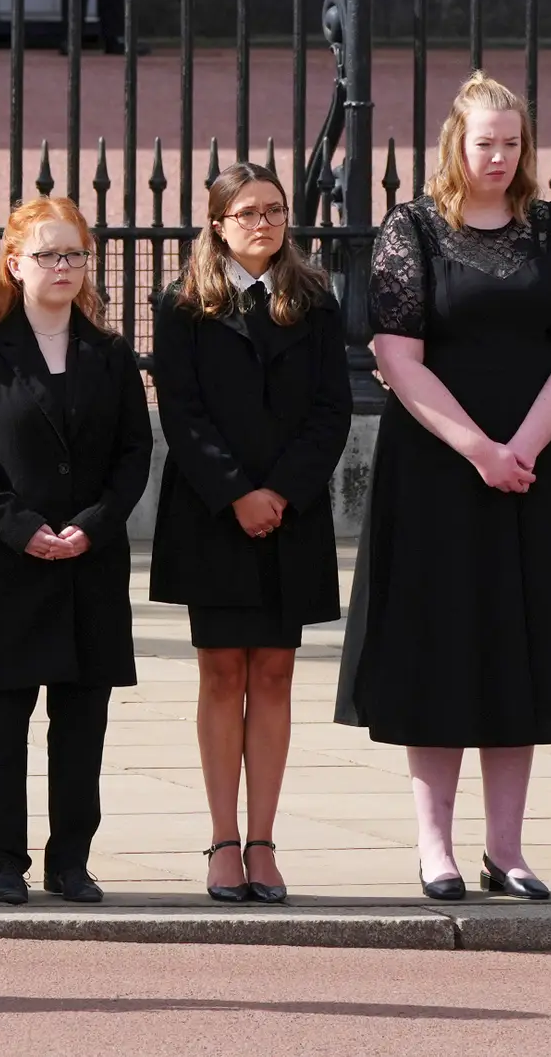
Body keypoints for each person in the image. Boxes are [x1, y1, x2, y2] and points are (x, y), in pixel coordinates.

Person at [338, 73, 551, 901]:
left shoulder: (549, 230)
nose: (499, 155)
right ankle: (435, 847)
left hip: (538, 466)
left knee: (520, 646)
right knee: (440, 646)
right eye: (485, 140)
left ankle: (508, 848)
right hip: (437, 471)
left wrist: (521, 444)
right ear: (456, 142)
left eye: (513, 141)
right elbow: (397, 356)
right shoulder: (411, 228)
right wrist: (476, 447)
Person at [0, 194, 154, 905]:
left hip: (89, 564)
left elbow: (134, 453)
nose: (63, 266)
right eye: (47, 254)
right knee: (3, 716)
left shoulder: (111, 353)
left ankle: (71, 858)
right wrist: (19, 525)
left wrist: (93, 524)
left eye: (74, 254)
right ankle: (2, 859)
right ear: (14, 263)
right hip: (8, 561)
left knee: (81, 719)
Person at [149, 162, 349, 905]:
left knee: (274, 670)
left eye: (273, 210)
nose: (262, 223)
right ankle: (223, 840)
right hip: (215, 514)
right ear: (217, 222)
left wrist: (283, 492)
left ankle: (263, 841)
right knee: (221, 670)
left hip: (290, 516)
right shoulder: (182, 302)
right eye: (246, 212)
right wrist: (237, 493)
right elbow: (183, 413)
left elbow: (333, 409)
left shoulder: (315, 299)